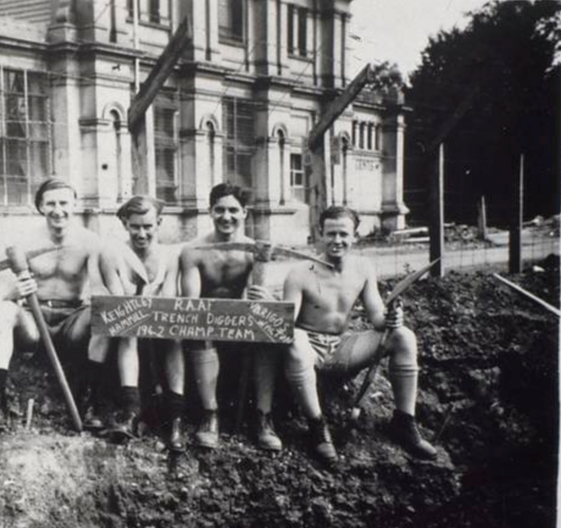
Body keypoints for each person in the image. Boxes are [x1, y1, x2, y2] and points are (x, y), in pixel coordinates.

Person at [282, 205, 437, 465]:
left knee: (403, 336)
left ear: (355, 235)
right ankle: (317, 427)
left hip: (343, 346)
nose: (337, 240)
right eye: (330, 234)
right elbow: (286, 325)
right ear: (320, 234)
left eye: (344, 234)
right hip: (308, 347)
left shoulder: (363, 268)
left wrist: (391, 318)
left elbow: (377, 317)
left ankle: (404, 421)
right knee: (294, 339)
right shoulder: (299, 273)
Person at [0, 177, 126, 433]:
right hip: (34, 324)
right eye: (51, 204)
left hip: (72, 323)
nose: (58, 210)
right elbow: (7, 292)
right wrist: (15, 292)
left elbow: (98, 286)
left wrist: (101, 297)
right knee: (4, 310)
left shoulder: (90, 242)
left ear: (75, 204)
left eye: (64, 203)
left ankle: (90, 400)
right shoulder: (26, 242)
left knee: (102, 313)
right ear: (41, 207)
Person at [179, 183, 280, 451]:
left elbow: (254, 299)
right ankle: (210, 414)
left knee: (267, 333)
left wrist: (262, 280)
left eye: (233, 210)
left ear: (245, 212)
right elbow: (192, 303)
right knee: (200, 325)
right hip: (205, 325)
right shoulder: (194, 251)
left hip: (240, 324)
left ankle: (263, 417)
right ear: (210, 212)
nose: (227, 217)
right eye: (220, 210)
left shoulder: (253, 251)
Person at [105, 195, 186, 451]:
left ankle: (176, 418)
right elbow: (120, 302)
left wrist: (152, 315)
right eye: (135, 226)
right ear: (125, 225)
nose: (141, 233)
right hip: (129, 326)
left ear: (158, 223)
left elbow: (168, 300)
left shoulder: (169, 257)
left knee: (174, 336)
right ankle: (131, 411)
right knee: (129, 329)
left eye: (148, 226)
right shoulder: (114, 255)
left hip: (158, 324)